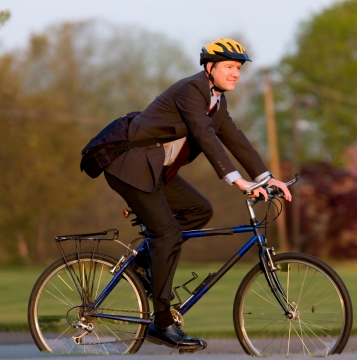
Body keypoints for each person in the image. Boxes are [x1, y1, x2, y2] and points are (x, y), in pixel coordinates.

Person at [103, 38, 292, 351]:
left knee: (199, 210)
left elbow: (235, 139)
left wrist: (268, 178)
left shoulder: (217, 102)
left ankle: (143, 264)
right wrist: (239, 182)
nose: (236, 74)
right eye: (229, 67)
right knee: (167, 234)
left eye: (239, 68)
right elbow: (205, 136)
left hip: (156, 171)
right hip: (130, 168)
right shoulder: (192, 90)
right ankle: (162, 324)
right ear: (210, 67)